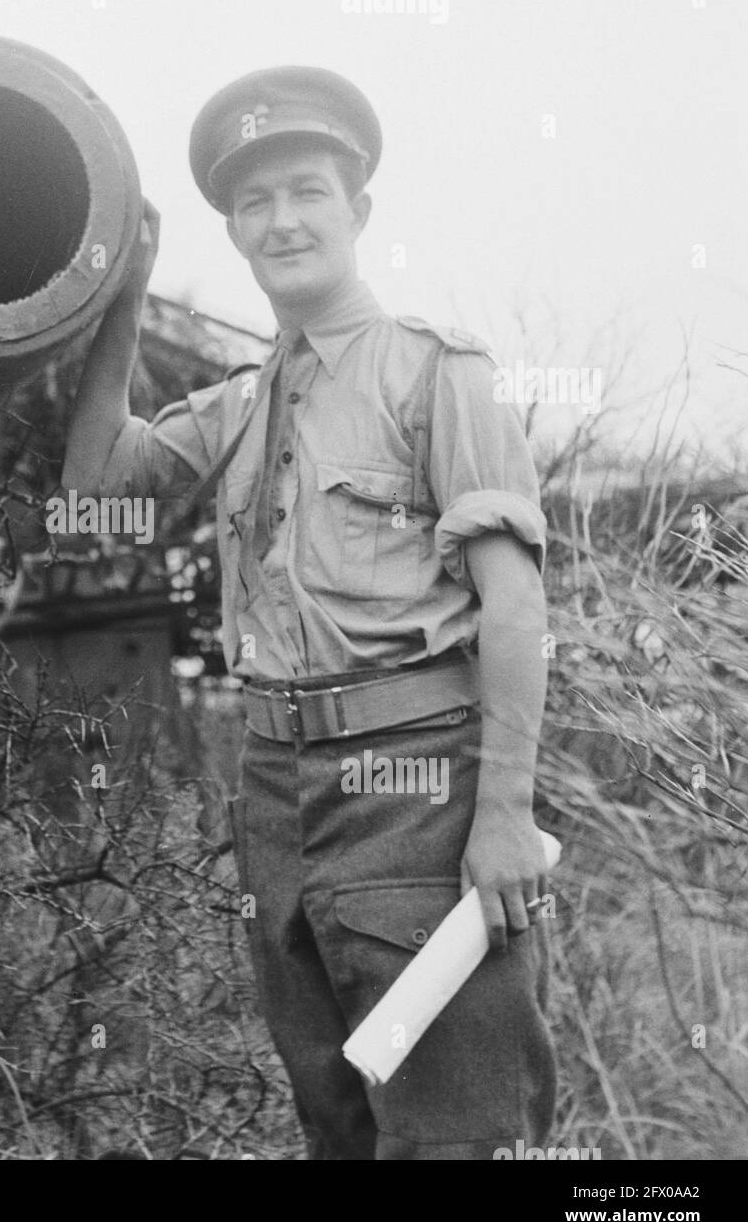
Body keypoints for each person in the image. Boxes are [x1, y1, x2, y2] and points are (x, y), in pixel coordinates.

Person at [61, 66, 557, 1160]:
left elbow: (514, 610)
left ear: (357, 210)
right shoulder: (239, 405)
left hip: (416, 787)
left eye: (306, 190)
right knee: (336, 1122)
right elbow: (91, 499)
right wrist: (121, 298)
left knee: (456, 1135)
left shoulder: (435, 375)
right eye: (252, 202)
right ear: (232, 229)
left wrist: (503, 814)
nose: (280, 220)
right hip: (276, 792)